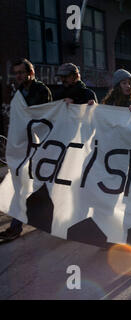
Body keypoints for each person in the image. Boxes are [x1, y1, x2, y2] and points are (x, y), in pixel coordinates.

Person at [0, 59, 53, 241]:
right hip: (25, 148)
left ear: (30, 72)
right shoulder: (19, 93)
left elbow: (43, 117)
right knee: (21, 186)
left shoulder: (41, 90)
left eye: (22, 72)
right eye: (16, 73)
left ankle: (53, 220)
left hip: (41, 148)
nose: (19, 76)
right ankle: (15, 227)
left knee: (42, 187)